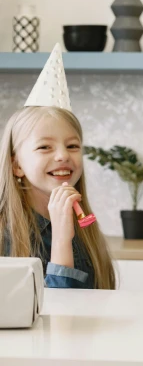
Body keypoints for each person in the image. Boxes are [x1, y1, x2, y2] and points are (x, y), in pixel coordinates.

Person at [1, 45, 115, 289]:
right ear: (16, 165)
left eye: (73, 146)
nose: (63, 155)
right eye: (45, 147)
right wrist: (63, 238)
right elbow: (56, 315)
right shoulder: (6, 232)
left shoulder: (85, 229)